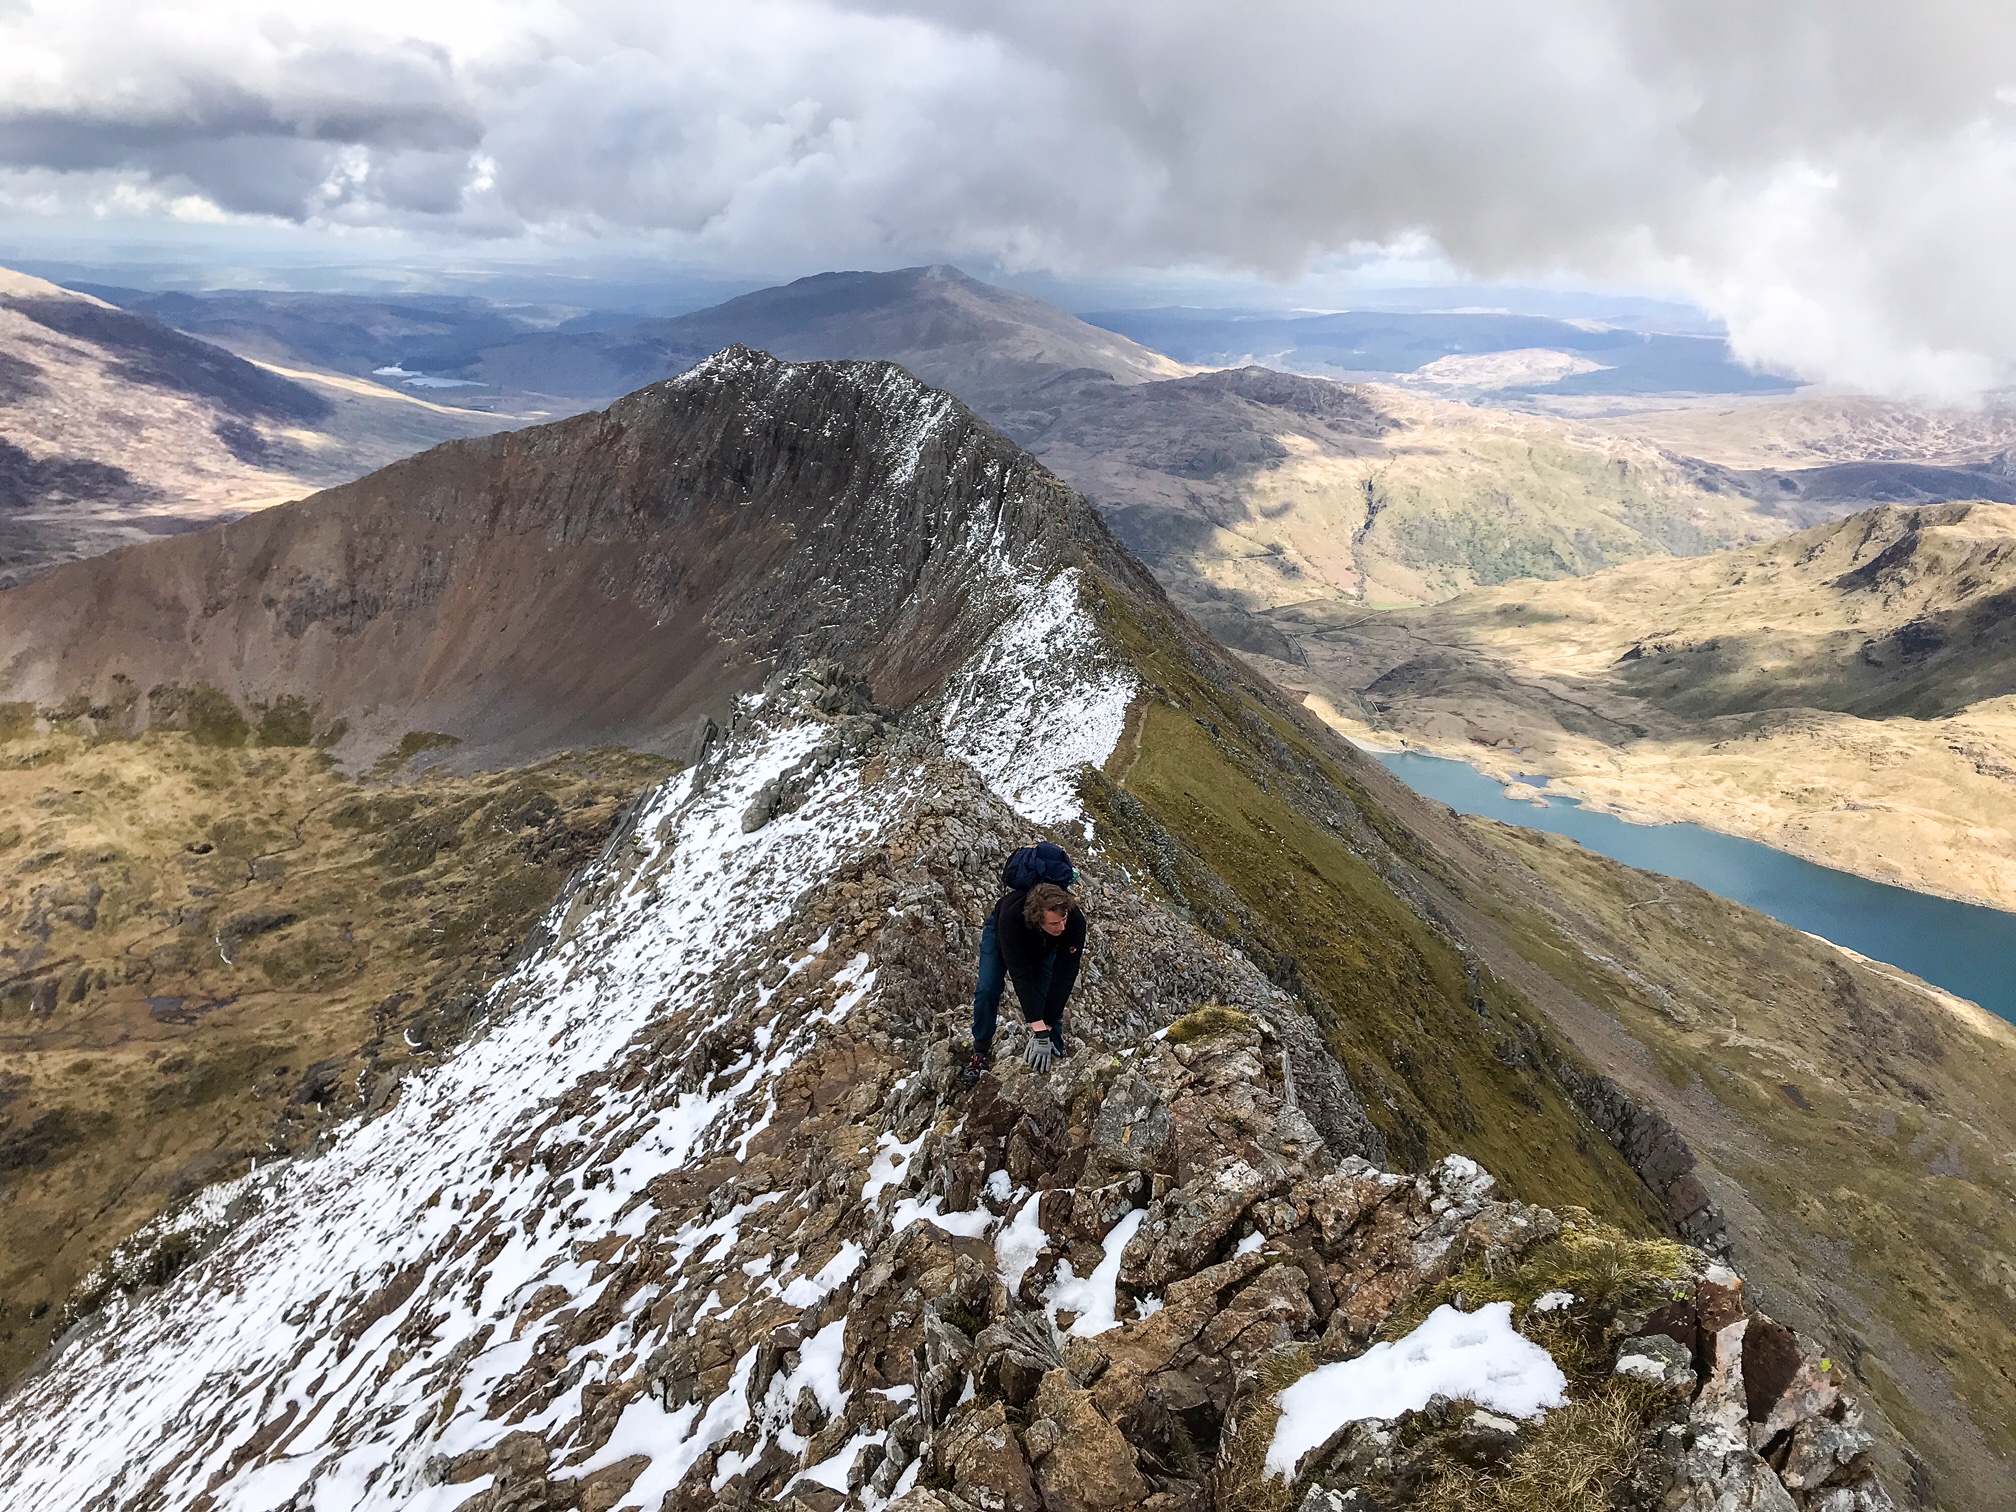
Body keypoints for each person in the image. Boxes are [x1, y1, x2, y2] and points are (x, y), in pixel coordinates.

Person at [962, 876, 1086, 1087]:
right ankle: (980, 1051)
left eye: (1064, 918)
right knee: (987, 989)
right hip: (1002, 940)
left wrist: (1045, 1029)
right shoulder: (1011, 919)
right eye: (1055, 922)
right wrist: (1038, 1029)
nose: (1063, 926)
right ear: (1038, 918)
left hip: (1045, 945)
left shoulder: (1074, 922)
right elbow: (1021, 976)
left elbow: (1065, 976)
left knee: (1047, 996)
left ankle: (1054, 1052)